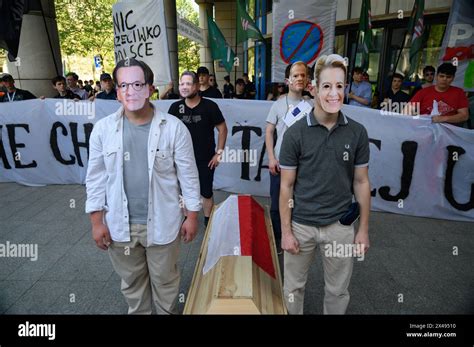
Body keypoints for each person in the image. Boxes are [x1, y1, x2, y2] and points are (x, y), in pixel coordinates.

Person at [85, 58, 201, 315]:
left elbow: (189, 177)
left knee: (166, 283)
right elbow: (95, 178)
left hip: (164, 222)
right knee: (133, 286)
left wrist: (192, 216)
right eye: (123, 85)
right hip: (120, 226)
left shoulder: (174, 128)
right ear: (116, 92)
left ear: (150, 89)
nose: (130, 91)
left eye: (138, 84)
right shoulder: (102, 130)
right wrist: (96, 222)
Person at [279, 54, 370, 314]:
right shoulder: (295, 133)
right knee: (293, 289)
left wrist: (363, 229)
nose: (333, 94)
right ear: (314, 88)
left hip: (340, 226)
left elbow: (361, 182)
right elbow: (286, 186)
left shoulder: (357, 132)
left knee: (338, 291)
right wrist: (286, 232)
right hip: (301, 225)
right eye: (327, 86)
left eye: (339, 86)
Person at [168, 71, 228, 228]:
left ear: (196, 86)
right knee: (181, 191)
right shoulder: (175, 108)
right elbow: (167, 133)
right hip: (181, 160)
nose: (184, 87)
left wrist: (219, 153)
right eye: (182, 84)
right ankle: (186, 219)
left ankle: (209, 221)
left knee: (206, 192)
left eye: (188, 84)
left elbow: (222, 128)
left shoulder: (210, 106)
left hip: (206, 159)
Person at [265, 61, 313, 254]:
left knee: (299, 203)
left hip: (303, 164)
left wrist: (315, 91)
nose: (300, 78)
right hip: (280, 163)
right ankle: (278, 239)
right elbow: (269, 132)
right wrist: (271, 158)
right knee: (278, 204)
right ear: (287, 80)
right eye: (295, 75)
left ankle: (297, 237)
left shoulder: (312, 105)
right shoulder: (277, 105)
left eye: (303, 75)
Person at [405, 63, 469, 127]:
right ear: (436, 76)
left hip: (448, 132)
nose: (444, 79)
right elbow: (406, 110)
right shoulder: (423, 92)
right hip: (424, 129)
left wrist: (444, 118)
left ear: (453, 78)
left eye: (448, 77)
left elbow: (464, 115)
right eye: (441, 76)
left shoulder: (459, 92)